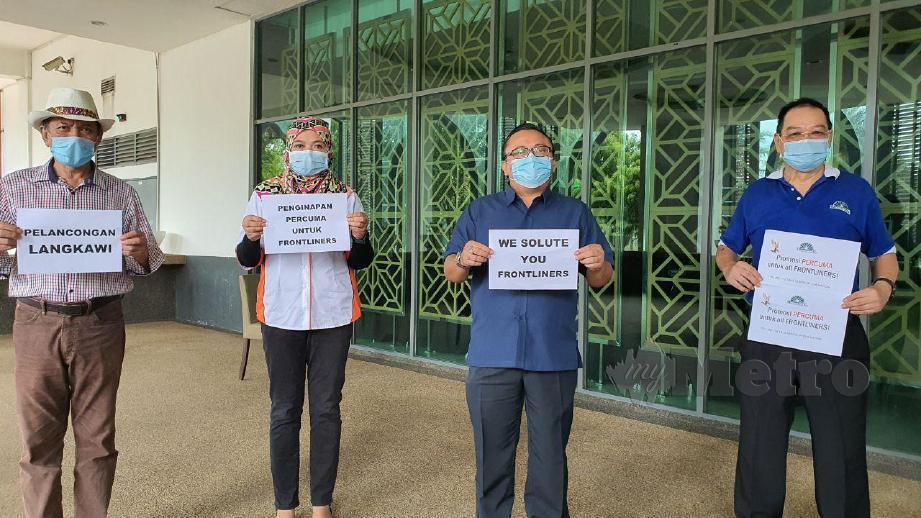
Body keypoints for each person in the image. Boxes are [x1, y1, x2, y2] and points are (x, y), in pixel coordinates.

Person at [716, 98, 899, 518]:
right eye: (795, 134)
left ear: (829, 137)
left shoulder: (855, 192)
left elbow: (884, 255)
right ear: (779, 142)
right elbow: (726, 248)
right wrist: (730, 267)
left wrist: (883, 287)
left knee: (841, 445)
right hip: (769, 334)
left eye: (816, 132)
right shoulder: (758, 194)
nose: (806, 141)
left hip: (836, 337)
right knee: (760, 442)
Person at [0, 87, 164, 517]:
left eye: (85, 129)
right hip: (36, 320)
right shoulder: (13, 188)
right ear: (44, 134)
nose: (74, 136)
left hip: (100, 321)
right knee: (38, 439)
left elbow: (150, 260)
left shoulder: (120, 193)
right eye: (63, 127)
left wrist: (140, 251)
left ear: (98, 138)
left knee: (98, 438)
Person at [443, 122, 614, 517]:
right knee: (491, 455)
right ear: (505, 166)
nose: (530, 159)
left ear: (553, 162)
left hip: (552, 354)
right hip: (492, 353)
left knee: (550, 456)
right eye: (519, 152)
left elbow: (602, 278)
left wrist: (598, 263)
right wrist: (464, 258)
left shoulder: (575, 213)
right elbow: (452, 271)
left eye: (541, 151)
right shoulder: (480, 211)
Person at [236, 115, 373, 518]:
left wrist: (360, 236)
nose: (308, 153)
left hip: (333, 314)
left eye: (318, 146)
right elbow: (246, 259)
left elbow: (360, 259)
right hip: (281, 314)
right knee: (284, 409)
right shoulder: (266, 195)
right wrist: (251, 236)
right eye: (300, 146)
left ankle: (321, 503)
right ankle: (285, 505)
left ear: (329, 151)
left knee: (327, 408)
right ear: (288, 152)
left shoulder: (344, 196)